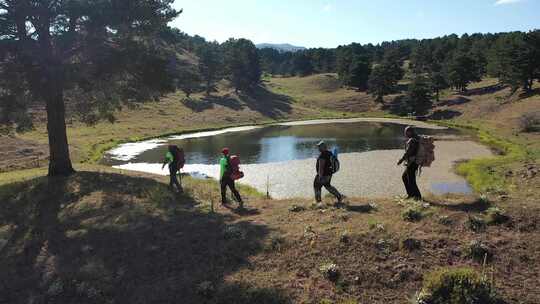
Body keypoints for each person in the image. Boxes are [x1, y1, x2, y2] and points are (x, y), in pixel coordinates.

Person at [397, 126, 422, 200]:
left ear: (410, 132)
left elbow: (409, 152)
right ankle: (411, 195)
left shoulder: (412, 140)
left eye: (406, 132)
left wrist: (401, 160)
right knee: (405, 177)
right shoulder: (416, 138)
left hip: (413, 163)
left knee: (411, 180)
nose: (405, 133)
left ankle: (418, 197)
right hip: (414, 162)